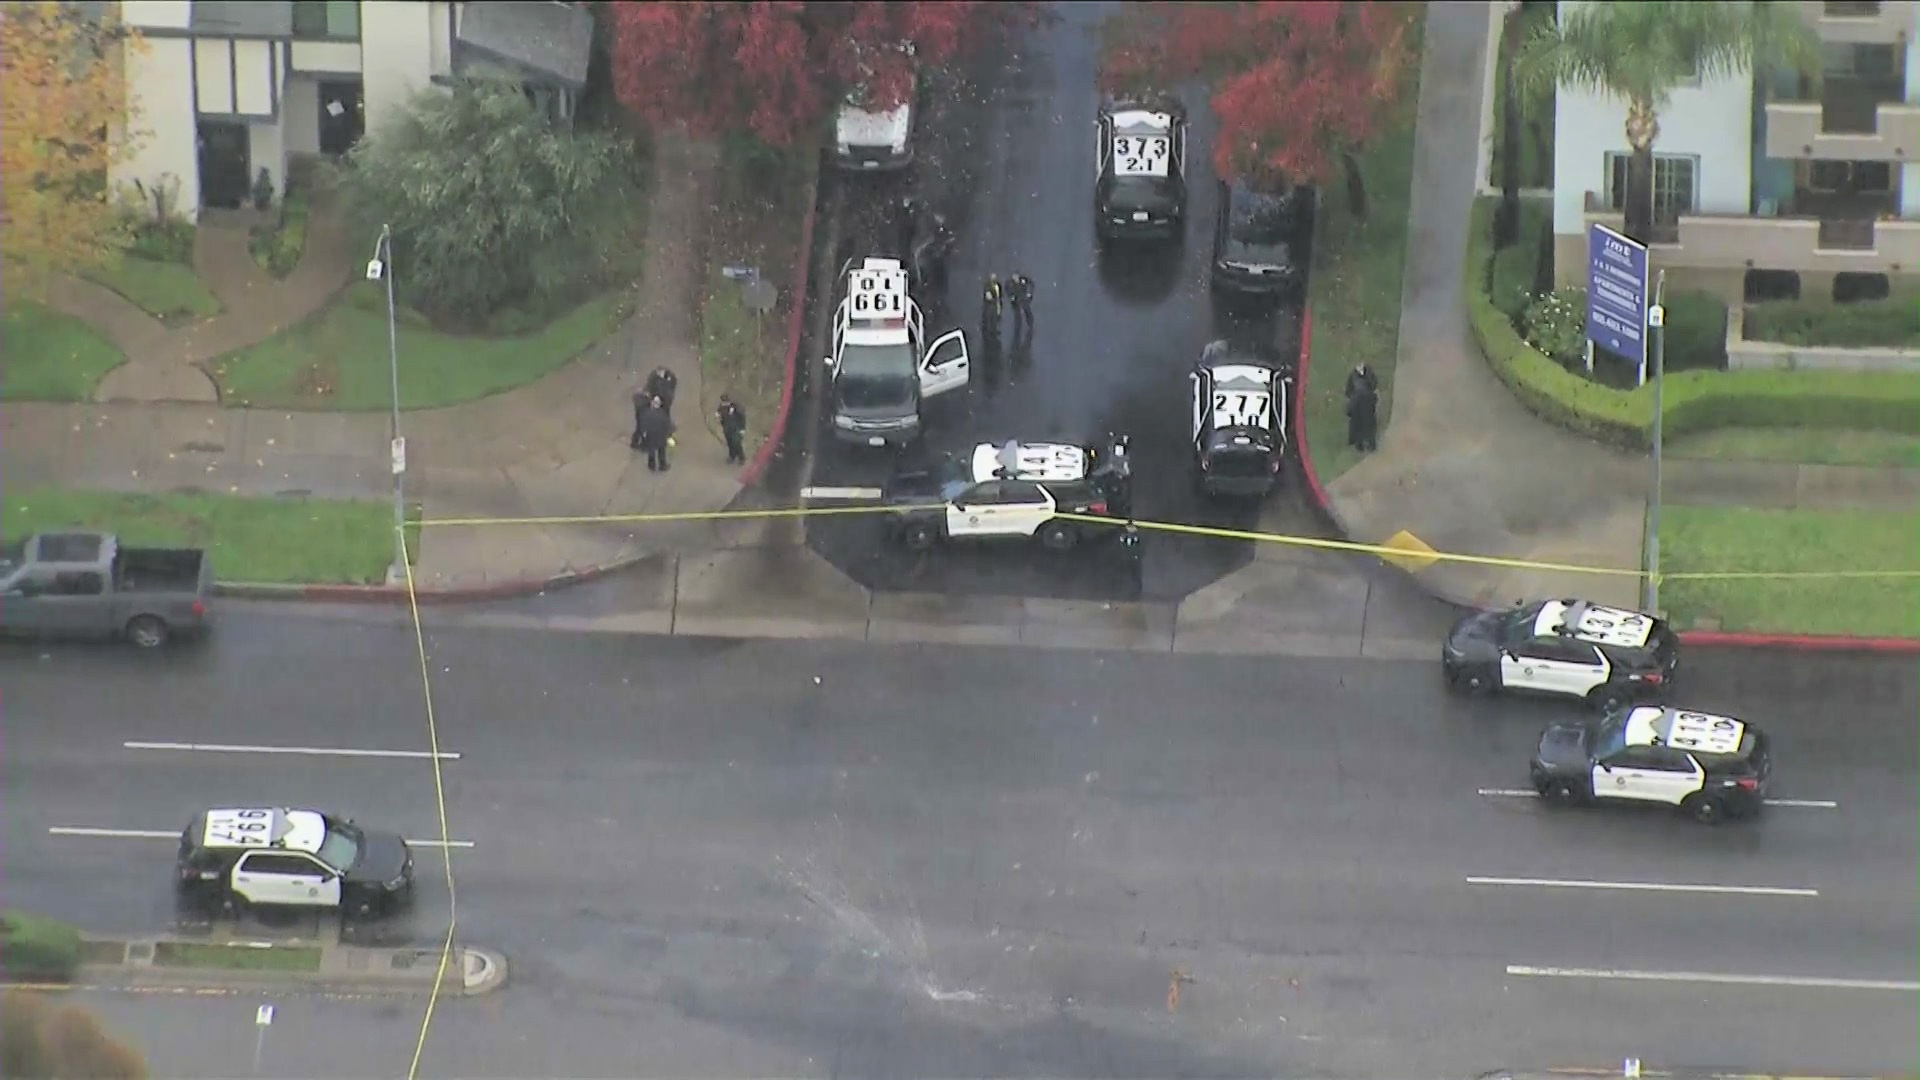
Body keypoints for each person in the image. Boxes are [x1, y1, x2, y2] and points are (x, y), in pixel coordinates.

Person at [1345, 363, 1379, 452]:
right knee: (1358, 424)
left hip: (1367, 402)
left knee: (1369, 423)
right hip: (1358, 404)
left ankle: (1371, 443)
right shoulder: (1353, 376)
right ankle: (1359, 444)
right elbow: (1348, 391)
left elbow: (1374, 384)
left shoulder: (1369, 373)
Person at [638, 395, 674, 471]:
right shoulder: (662, 414)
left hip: (651, 436)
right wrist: (669, 434)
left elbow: (642, 424)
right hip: (661, 436)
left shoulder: (647, 413)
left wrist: (643, 434)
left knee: (651, 451)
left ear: (652, 403)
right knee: (661, 452)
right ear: (659, 404)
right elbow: (667, 425)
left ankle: (651, 465)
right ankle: (662, 466)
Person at [716, 395, 747, 465]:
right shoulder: (721, 408)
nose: (724, 403)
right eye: (723, 402)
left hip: (736, 429)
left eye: (725, 402)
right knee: (730, 443)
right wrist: (719, 419)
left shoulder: (735, 407)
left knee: (736, 443)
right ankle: (732, 456)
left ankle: (742, 458)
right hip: (727, 429)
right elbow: (719, 417)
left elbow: (742, 417)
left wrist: (742, 428)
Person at [1009, 273, 1034, 343]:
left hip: (1024, 299)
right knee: (1017, 315)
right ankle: (1018, 328)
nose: (1015, 279)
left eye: (1016, 277)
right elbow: (1007, 290)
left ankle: (1030, 324)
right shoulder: (1010, 283)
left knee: (1027, 311)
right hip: (1016, 301)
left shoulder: (1024, 280)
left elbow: (1031, 284)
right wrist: (1011, 296)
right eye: (1014, 278)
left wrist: (1030, 293)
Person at [980, 273, 1003, 347]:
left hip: (996, 304)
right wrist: (994, 300)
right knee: (990, 317)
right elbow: (988, 296)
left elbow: (1000, 294)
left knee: (995, 318)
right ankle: (988, 333)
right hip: (990, 306)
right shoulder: (987, 286)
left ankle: (994, 330)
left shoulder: (998, 285)